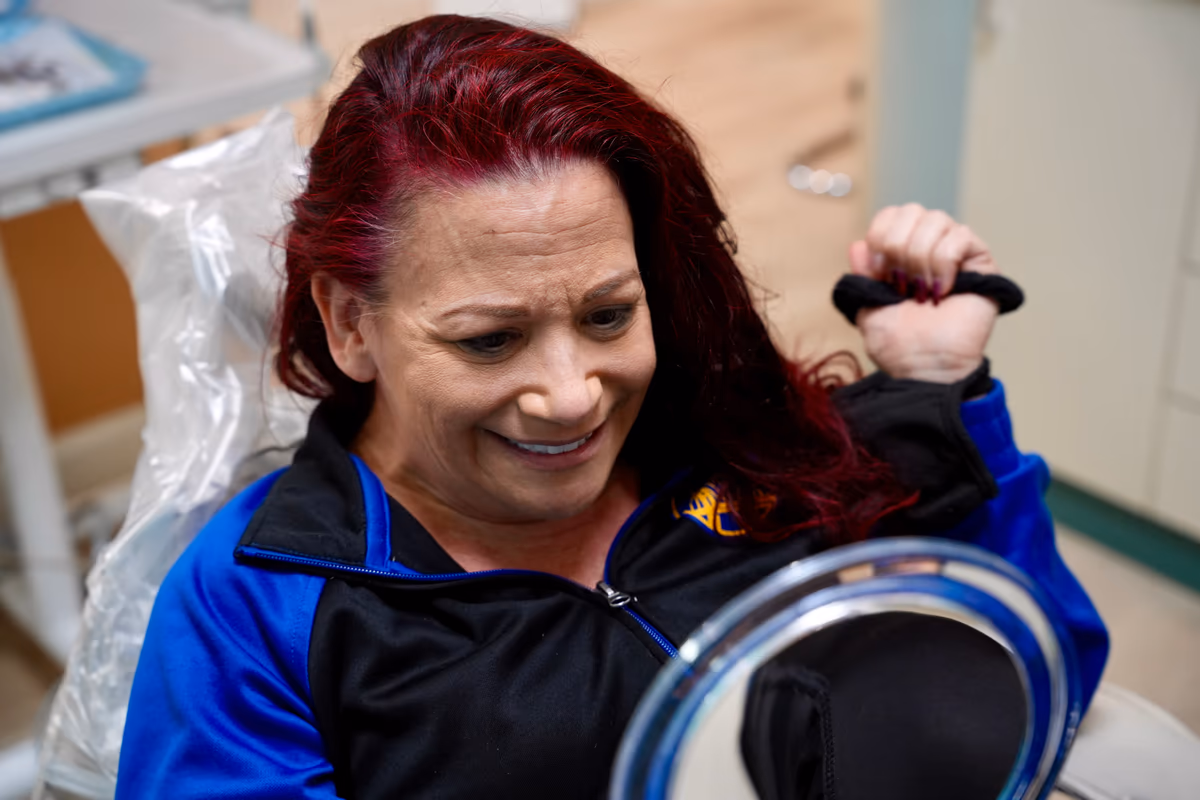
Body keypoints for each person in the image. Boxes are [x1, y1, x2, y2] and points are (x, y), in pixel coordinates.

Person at [115, 14, 1107, 800]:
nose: (570, 396)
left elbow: (1039, 672)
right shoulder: (258, 606)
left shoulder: (739, 447)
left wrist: (938, 391)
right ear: (350, 323)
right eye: (488, 338)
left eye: (607, 313)